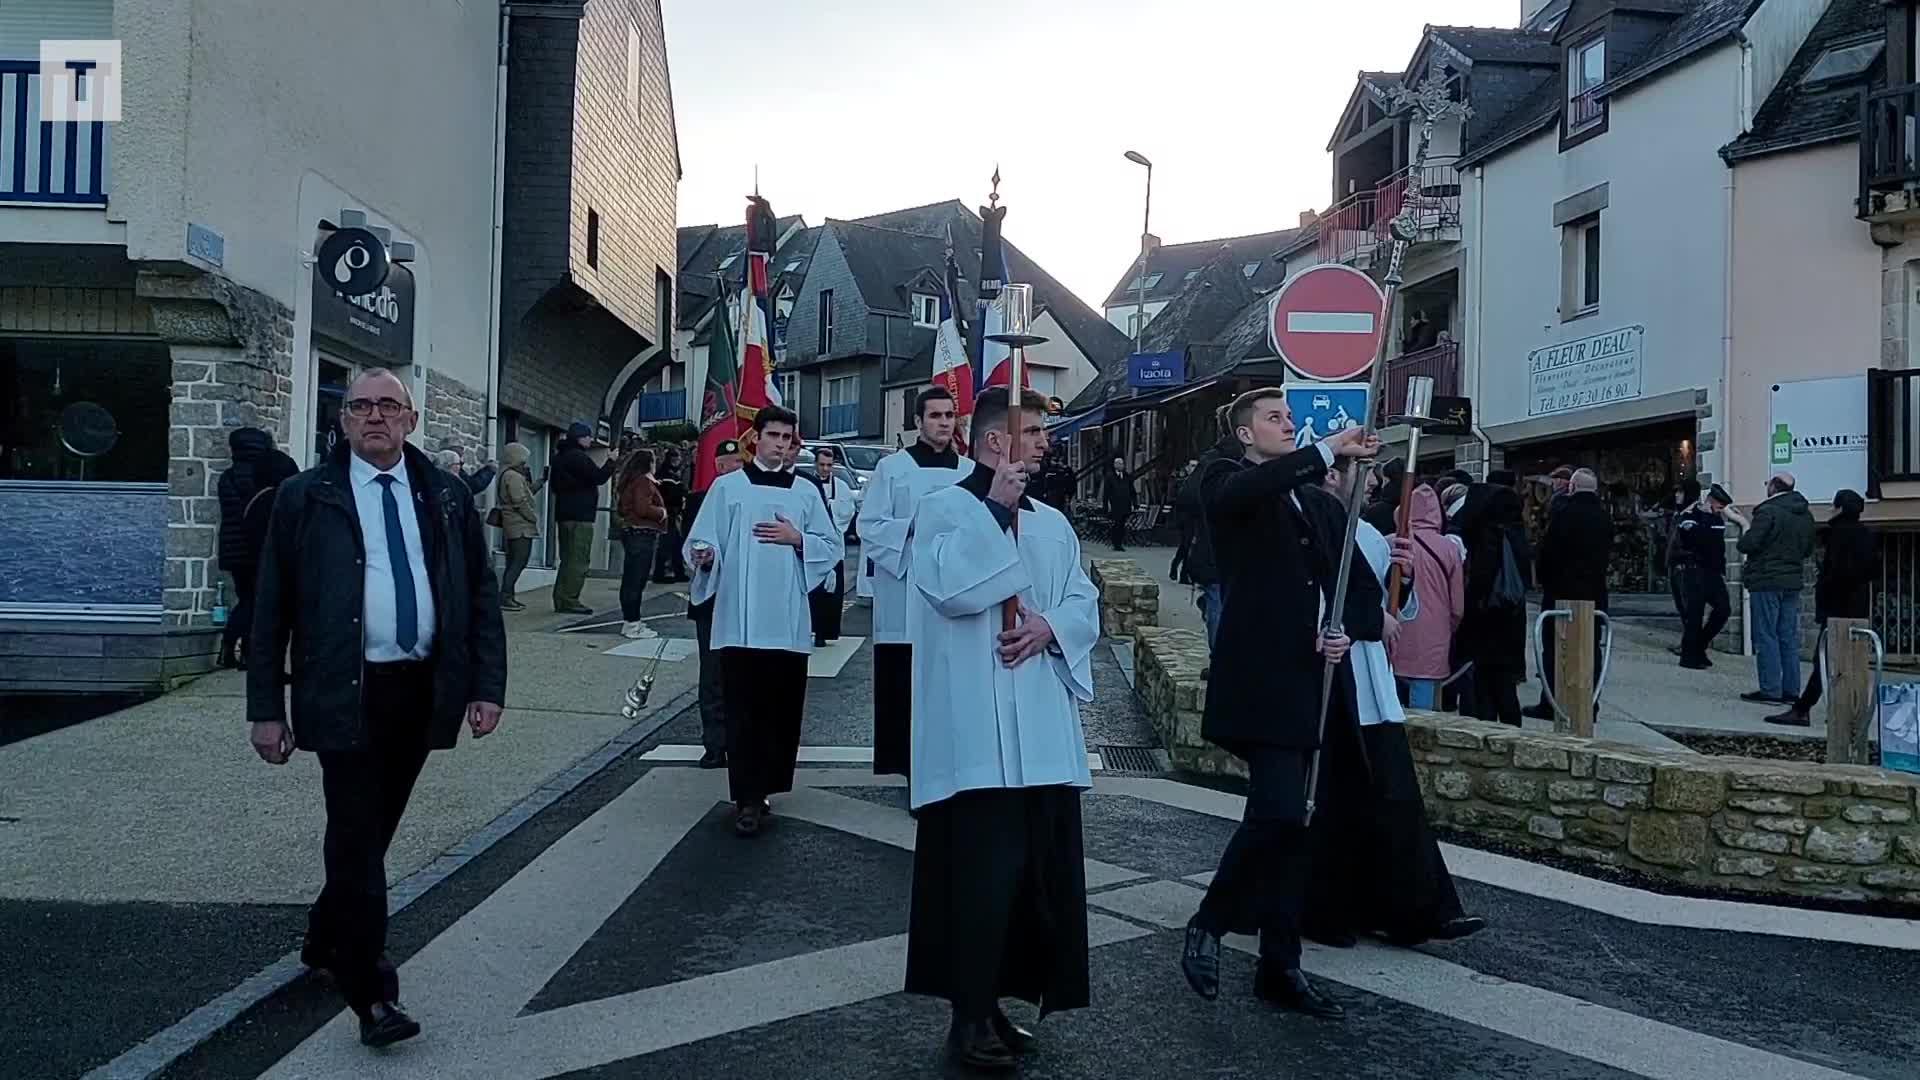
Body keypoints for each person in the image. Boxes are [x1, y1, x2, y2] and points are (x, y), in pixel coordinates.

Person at [246, 367, 506, 1049]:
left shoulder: (446, 496)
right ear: (342, 420)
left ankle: (328, 937)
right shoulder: (308, 497)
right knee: (359, 836)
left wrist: (486, 686)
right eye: (359, 406)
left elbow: (479, 595)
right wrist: (266, 706)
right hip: (342, 689)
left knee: (371, 832)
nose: (374, 417)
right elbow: (271, 606)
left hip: (420, 690)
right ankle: (373, 996)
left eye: (388, 406)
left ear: (410, 419)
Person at [902, 386, 1101, 1071]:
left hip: (1041, 726)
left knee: (1029, 881)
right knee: (978, 882)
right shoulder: (944, 509)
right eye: (1036, 432)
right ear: (995, 443)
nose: (1047, 443)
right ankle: (966, 1016)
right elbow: (951, 589)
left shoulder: (1051, 522)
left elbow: (1083, 599)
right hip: (974, 737)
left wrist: (1050, 626)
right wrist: (995, 512)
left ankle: (999, 1004)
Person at [1180, 388, 1378, 1021]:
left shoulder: (1307, 502)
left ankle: (1280, 964)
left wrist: (1339, 626)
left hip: (1304, 679)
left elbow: (1340, 586)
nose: (1287, 425)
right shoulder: (1226, 481)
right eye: (1275, 418)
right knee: (1282, 813)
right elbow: (1242, 497)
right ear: (1244, 434)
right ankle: (1208, 923)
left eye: (1291, 419)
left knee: (1295, 824)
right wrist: (1324, 450)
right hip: (1259, 681)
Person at [1300, 466, 1483, 951]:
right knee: (1334, 803)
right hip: (1329, 682)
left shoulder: (1367, 536)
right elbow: (1316, 607)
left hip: (1372, 685)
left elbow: (1395, 612)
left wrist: (1396, 572)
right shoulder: (1297, 528)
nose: (1338, 482)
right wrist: (1370, 615)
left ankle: (1418, 909)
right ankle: (1325, 909)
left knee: (1395, 800)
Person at [683, 406, 842, 836]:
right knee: (743, 708)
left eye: (787, 437)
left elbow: (832, 546)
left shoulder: (806, 492)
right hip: (740, 618)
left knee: (780, 708)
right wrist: (706, 555)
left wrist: (798, 539)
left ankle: (767, 784)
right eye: (772, 435)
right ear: (756, 438)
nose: (780, 443)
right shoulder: (728, 488)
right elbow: (704, 538)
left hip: (787, 619)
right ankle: (747, 798)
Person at [856, 386, 969, 779]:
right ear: (918, 421)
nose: (942, 423)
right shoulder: (894, 469)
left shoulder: (969, 472)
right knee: (904, 687)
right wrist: (913, 528)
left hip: (952, 595)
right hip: (905, 595)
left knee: (948, 688)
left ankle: (947, 769)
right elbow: (868, 525)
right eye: (934, 416)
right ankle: (908, 770)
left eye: (949, 416)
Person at [1768, 489, 1875, 726]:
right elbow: (1871, 571)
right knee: (1852, 662)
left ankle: (1803, 709)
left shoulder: (1837, 534)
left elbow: (1836, 572)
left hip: (1837, 607)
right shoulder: (1867, 534)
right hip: (1858, 606)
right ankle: (1848, 710)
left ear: (1839, 508)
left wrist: (1825, 596)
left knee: (1825, 660)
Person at [1525, 468, 1612, 720]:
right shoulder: (1604, 518)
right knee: (1591, 648)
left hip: (1561, 591)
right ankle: (1589, 702)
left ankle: (1552, 701)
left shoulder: (1564, 515)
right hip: (1594, 592)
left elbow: (1548, 552)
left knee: (1555, 648)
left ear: (1572, 488)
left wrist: (1542, 579)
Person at [684, 439, 744, 768]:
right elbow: (688, 545)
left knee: (741, 673)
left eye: (740, 461)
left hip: (743, 597)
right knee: (712, 675)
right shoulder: (698, 501)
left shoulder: (752, 495)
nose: (736, 467)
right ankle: (713, 742)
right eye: (729, 462)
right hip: (710, 598)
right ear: (717, 466)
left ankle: (739, 739)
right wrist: (702, 558)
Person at [1454, 483, 1532, 726]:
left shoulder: (1485, 536)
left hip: (1486, 617)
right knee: (1505, 686)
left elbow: (1480, 579)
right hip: (1512, 617)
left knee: (1484, 684)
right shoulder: (1517, 533)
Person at [1738, 472, 1817, 705]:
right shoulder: (1805, 515)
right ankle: (1791, 691)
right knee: (1787, 638)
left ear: (1773, 486)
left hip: (1766, 580)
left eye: (1767, 483)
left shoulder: (1768, 511)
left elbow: (1748, 544)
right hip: (1791, 581)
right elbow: (1807, 549)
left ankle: (1770, 690)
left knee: (1766, 635)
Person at [1392, 485, 1466, 710]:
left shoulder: (1394, 542)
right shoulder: (1449, 548)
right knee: (1424, 706)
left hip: (1396, 629)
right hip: (1435, 633)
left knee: (1391, 702)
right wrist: (1450, 626)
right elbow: (1458, 605)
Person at [216, 427, 282, 669]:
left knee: (246, 599)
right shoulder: (263, 475)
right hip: (258, 547)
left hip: (233, 549)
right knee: (256, 602)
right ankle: (246, 653)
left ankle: (228, 649)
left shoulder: (228, 477)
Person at [1183, 409, 1239, 651]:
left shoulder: (1214, 458)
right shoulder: (1222, 460)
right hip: (1223, 550)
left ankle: (1221, 661)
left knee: (1218, 602)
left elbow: (1188, 498)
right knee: (1219, 601)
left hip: (1215, 548)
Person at [550, 421, 618, 615]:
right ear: (579, 438)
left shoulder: (560, 457)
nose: (590, 439)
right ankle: (571, 599)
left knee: (567, 559)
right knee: (579, 560)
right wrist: (611, 460)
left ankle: (561, 598)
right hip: (581, 516)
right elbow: (598, 476)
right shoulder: (578, 457)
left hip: (564, 514)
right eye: (588, 436)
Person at [1673, 483, 1734, 670]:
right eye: (1720, 506)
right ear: (1711, 501)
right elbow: (1692, 538)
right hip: (1695, 571)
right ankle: (1689, 656)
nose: (1722, 510)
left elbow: (1714, 541)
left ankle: (1699, 645)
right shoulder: (1689, 517)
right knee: (1694, 615)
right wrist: (1703, 514)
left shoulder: (1717, 519)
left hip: (1713, 573)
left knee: (1723, 609)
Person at [803, 444, 855, 646]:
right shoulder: (808, 485)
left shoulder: (841, 487)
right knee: (812, 591)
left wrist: (831, 508)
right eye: (822, 465)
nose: (825, 469)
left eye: (829, 465)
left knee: (832, 593)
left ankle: (826, 632)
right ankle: (809, 628)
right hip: (813, 545)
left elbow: (848, 510)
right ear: (815, 464)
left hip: (834, 544)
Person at [615, 449, 667, 639]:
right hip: (642, 534)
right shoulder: (643, 482)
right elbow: (642, 508)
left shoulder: (630, 481)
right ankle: (632, 624)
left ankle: (630, 621)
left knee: (631, 579)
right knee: (636, 581)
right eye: (653, 461)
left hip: (632, 532)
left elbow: (625, 509)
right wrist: (662, 513)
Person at [495, 442, 544, 612]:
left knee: (514, 561)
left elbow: (526, 493)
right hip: (519, 525)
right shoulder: (512, 476)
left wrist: (539, 482)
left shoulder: (508, 474)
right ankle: (505, 596)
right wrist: (532, 516)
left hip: (514, 523)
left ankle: (509, 596)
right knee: (518, 561)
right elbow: (520, 500)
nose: (525, 464)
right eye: (523, 460)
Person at [653, 447, 689, 583]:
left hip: (673, 512)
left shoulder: (672, 475)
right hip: (667, 512)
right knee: (667, 544)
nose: (676, 460)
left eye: (677, 458)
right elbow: (667, 494)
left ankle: (678, 572)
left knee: (675, 544)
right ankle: (660, 573)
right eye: (674, 458)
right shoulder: (665, 475)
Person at [1169, 459, 1200, 583]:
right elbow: (1174, 498)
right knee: (1186, 545)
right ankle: (1179, 569)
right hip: (1184, 517)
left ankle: (1180, 569)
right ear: (1187, 468)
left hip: (1195, 518)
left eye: (1196, 466)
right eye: (1192, 466)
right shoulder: (1181, 482)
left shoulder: (1199, 481)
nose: (1194, 468)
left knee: (1187, 546)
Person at [1103, 456, 1134, 551]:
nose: (1121, 466)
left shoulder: (1127, 476)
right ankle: (1116, 543)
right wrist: (1106, 505)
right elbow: (1106, 492)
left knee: (1122, 525)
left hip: (1125, 504)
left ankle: (1120, 542)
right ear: (1115, 465)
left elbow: (1132, 490)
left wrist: (1134, 503)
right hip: (1115, 505)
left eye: (1122, 464)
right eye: (1119, 464)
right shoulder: (1110, 477)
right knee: (1117, 524)